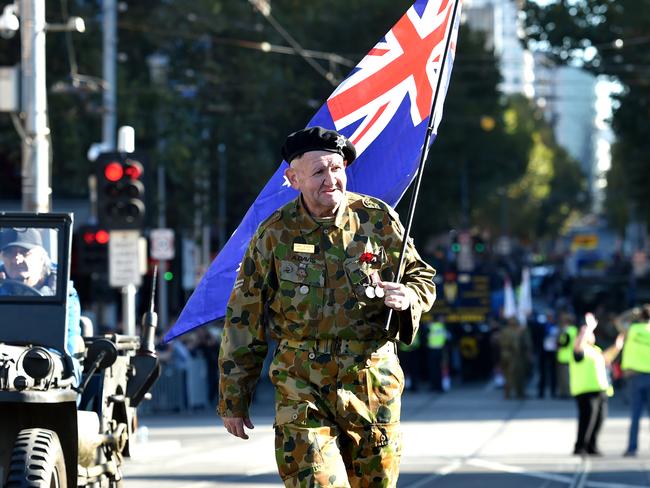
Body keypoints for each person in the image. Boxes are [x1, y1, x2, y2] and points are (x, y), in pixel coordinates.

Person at [217, 126, 436, 487]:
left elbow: (421, 277)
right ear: (293, 178)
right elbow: (245, 316)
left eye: (337, 169)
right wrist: (233, 399)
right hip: (300, 384)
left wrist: (409, 296)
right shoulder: (274, 234)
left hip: (370, 382)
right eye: (319, 171)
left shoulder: (376, 220)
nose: (331, 179)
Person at [0, 227, 82, 383]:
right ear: (2, 258)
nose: (16, 259)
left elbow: (67, 341)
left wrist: (38, 363)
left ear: (41, 257)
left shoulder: (64, 292)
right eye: (9, 253)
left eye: (24, 252)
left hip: (43, 365)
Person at [570, 312, 623, 456]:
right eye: (590, 333)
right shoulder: (579, 348)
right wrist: (587, 328)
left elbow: (606, 359)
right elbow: (578, 347)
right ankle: (580, 446)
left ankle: (591, 446)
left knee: (599, 419)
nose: (592, 334)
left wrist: (617, 347)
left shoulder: (595, 350)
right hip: (586, 390)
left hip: (600, 389)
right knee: (587, 420)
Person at [620, 305, 650, 457]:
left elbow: (619, 321)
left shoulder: (632, 330)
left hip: (635, 377)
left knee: (635, 415)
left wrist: (632, 312)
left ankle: (632, 448)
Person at [498, 317, 532, 399]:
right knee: (509, 375)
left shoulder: (517, 330)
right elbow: (507, 344)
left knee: (519, 375)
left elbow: (526, 343)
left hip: (516, 356)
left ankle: (518, 392)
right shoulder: (509, 331)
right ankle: (508, 393)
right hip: (510, 355)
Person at [556, 312, 577, 398]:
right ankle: (566, 392)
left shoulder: (567, 330)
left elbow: (563, 343)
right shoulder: (575, 330)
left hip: (565, 357)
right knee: (567, 376)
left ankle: (566, 393)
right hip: (569, 357)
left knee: (565, 377)